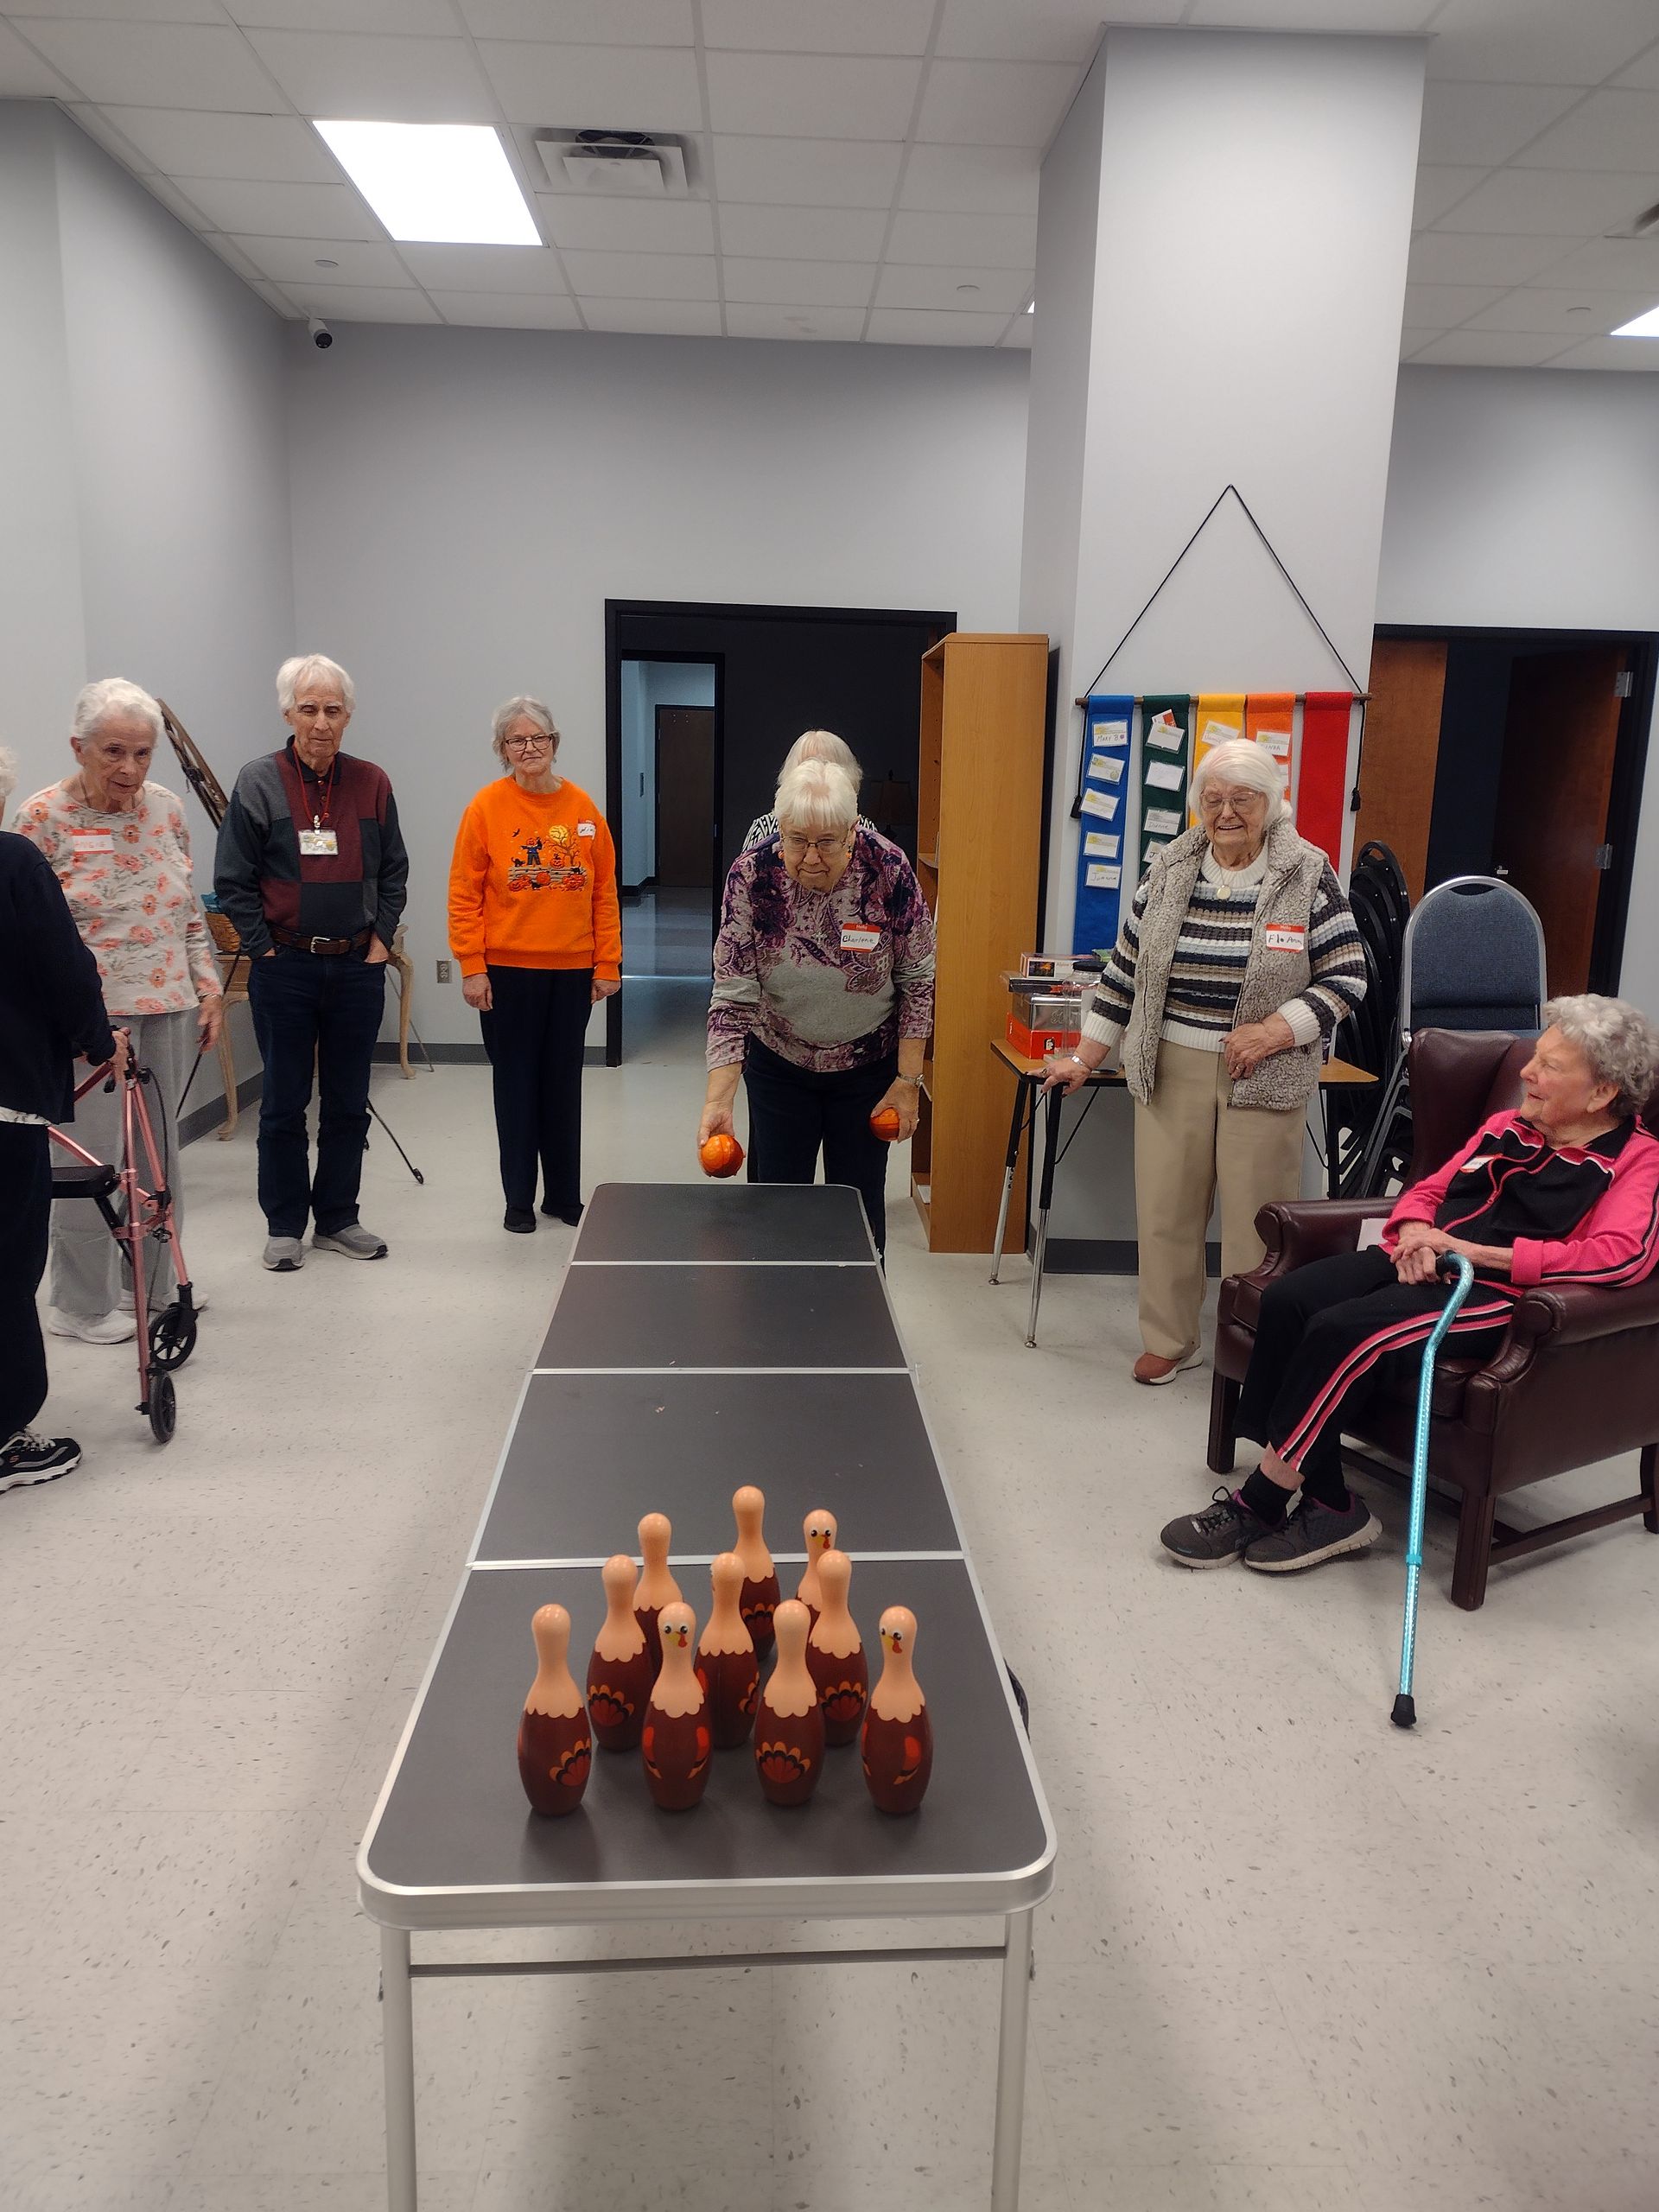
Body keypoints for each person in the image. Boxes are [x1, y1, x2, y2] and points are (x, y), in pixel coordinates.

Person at [1161, 995, 1659, 1573]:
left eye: (1549, 1066)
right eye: (1534, 1058)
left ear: (1601, 1093)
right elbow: (1428, 1189)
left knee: (1346, 1333)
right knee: (1290, 1299)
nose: (1527, 1072)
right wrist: (1419, 1232)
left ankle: (1261, 1502)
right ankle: (1331, 1503)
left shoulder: (1637, 1160)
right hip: (1419, 1257)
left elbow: (1619, 1258)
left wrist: (1470, 1252)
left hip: (1497, 1295)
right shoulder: (1507, 1126)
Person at [1044, 738, 1366, 1384]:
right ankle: (1170, 1339)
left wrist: (1276, 1030)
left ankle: (1254, 1349)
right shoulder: (1169, 867)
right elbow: (1125, 971)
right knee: (1167, 1213)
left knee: (1259, 1225)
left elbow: (1348, 976)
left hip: (1265, 1071)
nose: (1226, 813)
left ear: (1270, 804)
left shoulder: (1308, 872)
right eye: (1213, 799)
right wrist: (1084, 1055)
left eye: (1242, 799)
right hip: (1171, 1066)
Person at [14, 679, 223, 1344]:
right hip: (88, 1021)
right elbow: (25, 936)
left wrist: (209, 988)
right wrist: (67, 1019)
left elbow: (186, 909)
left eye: (142, 752)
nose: (129, 768)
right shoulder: (41, 818)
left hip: (166, 1006)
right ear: (78, 747)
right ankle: (81, 1305)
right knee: (93, 1163)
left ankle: (154, 1284)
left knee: (159, 1157)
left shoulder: (166, 808)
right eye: (113, 752)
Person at [214, 653, 408, 1271]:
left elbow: (395, 872)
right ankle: (283, 1225)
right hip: (286, 968)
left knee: (349, 1102)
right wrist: (263, 949)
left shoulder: (372, 782)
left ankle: (338, 1219)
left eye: (332, 709)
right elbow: (233, 879)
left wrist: (381, 941)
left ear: (348, 715)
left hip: (355, 967)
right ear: (287, 713)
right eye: (308, 709)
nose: (321, 722)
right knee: (282, 1103)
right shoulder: (258, 781)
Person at [700, 759, 935, 1255]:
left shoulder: (889, 870)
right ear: (779, 830)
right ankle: (775, 1304)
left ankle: (859, 1303)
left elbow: (917, 981)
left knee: (858, 1211)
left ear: (852, 832)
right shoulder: (751, 877)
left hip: (867, 1068)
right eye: (797, 840)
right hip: (779, 1062)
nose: (810, 857)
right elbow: (733, 993)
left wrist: (908, 1081)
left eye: (827, 841)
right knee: (777, 1212)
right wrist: (719, 1100)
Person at [0, 745, 128, 1491]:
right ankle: (6, 1438)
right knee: (7, 1266)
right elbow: (64, 967)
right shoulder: (14, 861)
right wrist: (97, 1039)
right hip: (6, 1101)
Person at [448, 696, 620, 1233]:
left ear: (554, 743)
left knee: (563, 1085)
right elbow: (464, 894)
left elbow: (604, 892)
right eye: (516, 740)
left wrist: (607, 962)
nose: (529, 748)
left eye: (538, 738)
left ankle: (563, 1196)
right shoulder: (486, 808)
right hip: (507, 973)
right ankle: (518, 1200)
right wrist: (472, 965)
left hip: (572, 972)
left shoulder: (583, 808)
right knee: (517, 1086)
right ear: (503, 750)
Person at [741, 729, 878, 850]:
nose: (818, 773)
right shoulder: (763, 827)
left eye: (828, 766)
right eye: (809, 766)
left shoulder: (864, 828)